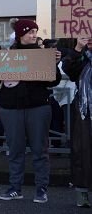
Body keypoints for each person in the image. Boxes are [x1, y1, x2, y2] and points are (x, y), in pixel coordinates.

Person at [0, 19, 62, 203]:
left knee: (40, 151)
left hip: (38, 107)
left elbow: (54, 81)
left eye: (35, 31)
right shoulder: (8, 54)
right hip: (12, 109)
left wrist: (53, 64)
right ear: (20, 34)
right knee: (15, 150)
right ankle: (15, 188)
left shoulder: (43, 54)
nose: (34, 35)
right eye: (30, 32)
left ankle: (41, 189)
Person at [62, 37, 92, 208]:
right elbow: (68, 69)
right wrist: (78, 50)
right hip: (84, 112)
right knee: (82, 152)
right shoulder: (82, 57)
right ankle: (82, 192)